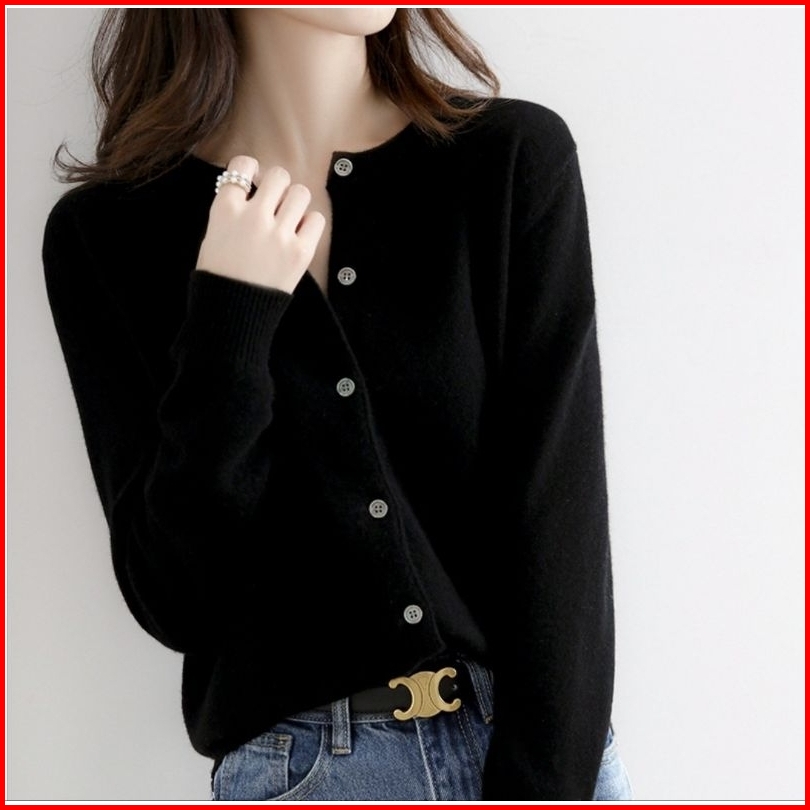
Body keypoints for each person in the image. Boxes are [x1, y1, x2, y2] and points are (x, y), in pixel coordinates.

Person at [42, 8, 633, 802]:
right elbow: (175, 598)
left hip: (533, 753)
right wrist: (231, 311)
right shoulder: (108, 235)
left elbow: (561, 529)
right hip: (308, 774)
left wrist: (544, 790)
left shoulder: (510, 160)